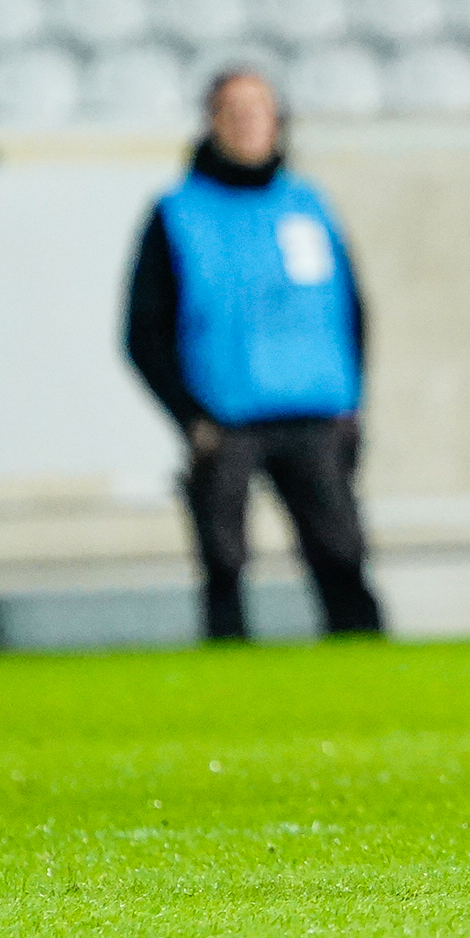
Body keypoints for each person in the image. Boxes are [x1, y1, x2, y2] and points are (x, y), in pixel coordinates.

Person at [124, 69, 385, 643]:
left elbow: (352, 308)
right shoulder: (178, 213)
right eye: (234, 111)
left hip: (317, 414)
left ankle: (372, 687)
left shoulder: (307, 203)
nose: (248, 123)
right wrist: (190, 418)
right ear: (211, 122)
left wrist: (353, 400)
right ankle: (226, 697)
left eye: (259, 110)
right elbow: (143, 332)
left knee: (342, 558)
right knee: (225, 567)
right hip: (228, 422)